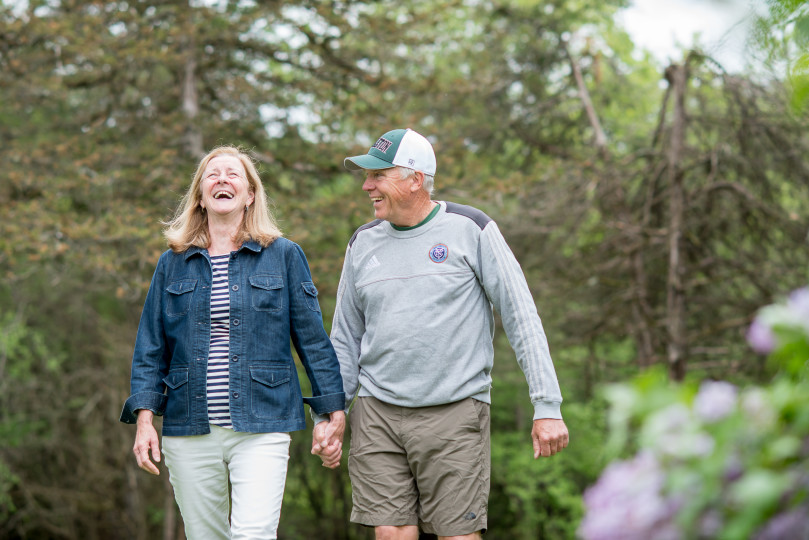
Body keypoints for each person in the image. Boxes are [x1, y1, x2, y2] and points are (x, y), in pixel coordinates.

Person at [311, 128, 569, 539]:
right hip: (377, 412)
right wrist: (329, 413)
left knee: (457, 536)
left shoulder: (472, 228)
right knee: (391, 533)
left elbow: (521, 316)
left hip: (454, 412)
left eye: (379, 175)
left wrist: (547, 405)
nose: (367, 185)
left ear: (415, 179)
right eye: (367, 176)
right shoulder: (362, 243)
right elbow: (345, 336)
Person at [120, 146, 346, 540]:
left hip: (263, 421)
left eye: (233, 174)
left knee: (253, 533)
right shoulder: (171, 262)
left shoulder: (284, 255)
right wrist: (144, 418)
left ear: (250, 194)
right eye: (212, 175)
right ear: (201, 196)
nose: (222, 179)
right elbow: (151, 347)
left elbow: (312, 339)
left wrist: (331, 410)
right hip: (189, 424)